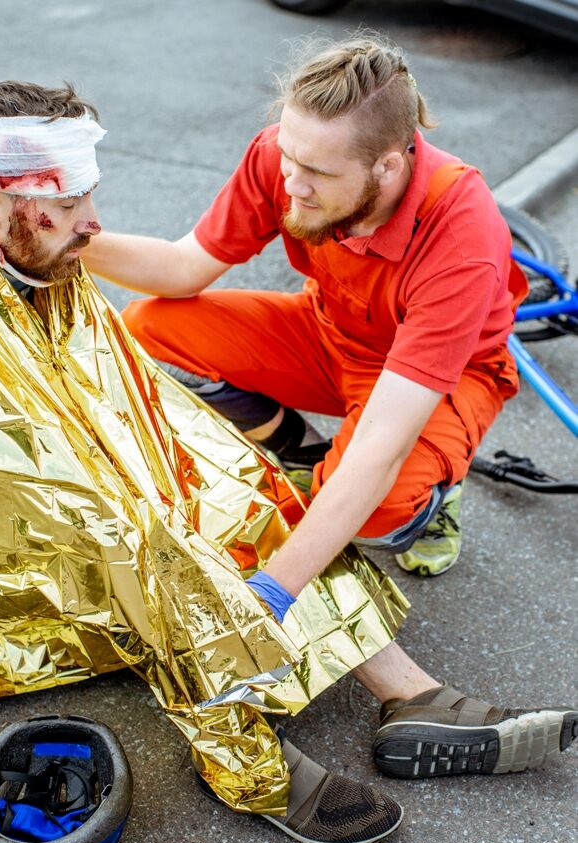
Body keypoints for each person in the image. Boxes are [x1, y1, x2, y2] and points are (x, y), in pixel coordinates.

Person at [0, 80, 571, 843]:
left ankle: (404, 683)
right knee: (149, 534)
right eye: (69, 205)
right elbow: (59, 465)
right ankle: (246, 757)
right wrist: (196, 534)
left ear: (386, 167)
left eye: (90, 200)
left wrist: (271, 566)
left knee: (275, 491)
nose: (92, 223)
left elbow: (363, 444)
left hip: (423, 380)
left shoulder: (460, 232)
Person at [83, 34, 577, 779]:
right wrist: (63, 240)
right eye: (287, 158)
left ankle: (411, 502)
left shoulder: (461, 227)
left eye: (315, 172)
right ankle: (314, 479)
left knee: (380, 500)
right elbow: (184, 267)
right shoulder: (288, 155)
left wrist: (276, 589)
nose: (292, 184)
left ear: (389, 163)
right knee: (152, 329)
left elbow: (383, 433)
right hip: (331, 331)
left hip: (440, 377)